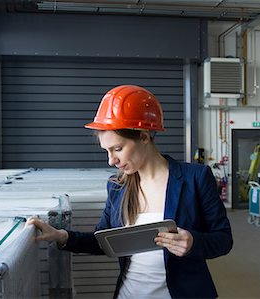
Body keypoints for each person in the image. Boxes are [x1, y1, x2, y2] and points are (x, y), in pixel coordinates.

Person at [27, 85, 233, 299]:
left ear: (144, 137)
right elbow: (103, 240)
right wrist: (61, 236)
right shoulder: (117, 186)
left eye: (117, 149)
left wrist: (193, 243)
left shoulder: (195, 178)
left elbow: (223, 240)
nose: (111, 160)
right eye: (106, 151)